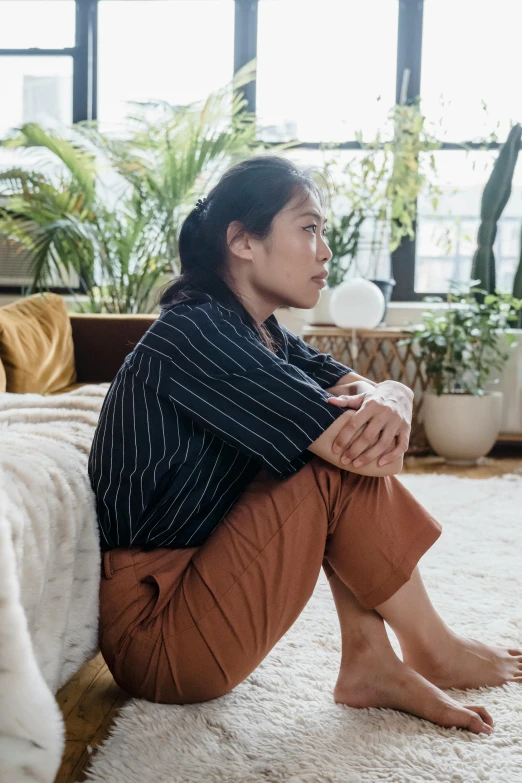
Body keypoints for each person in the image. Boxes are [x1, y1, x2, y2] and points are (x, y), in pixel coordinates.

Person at [90, 155, 521, 737]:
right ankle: (431, 648)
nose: (325, 252)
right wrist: (380, 407)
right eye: (308, 228)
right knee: (329, 465)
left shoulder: (259, 332)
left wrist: (391, 393)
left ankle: (371, 660)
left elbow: (354, 390)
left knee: (331, 449)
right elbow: (370, 453)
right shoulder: (198, 332)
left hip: (190, 593)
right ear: (243, 241)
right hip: (159, 636)